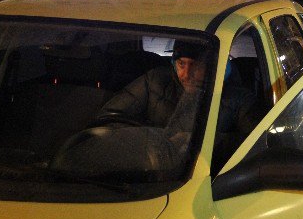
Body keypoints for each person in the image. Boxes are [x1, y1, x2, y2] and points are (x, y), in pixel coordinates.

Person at [96, 40, 259, 142]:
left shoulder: (238, 98)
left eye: (195, 65)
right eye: (181, 64)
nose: (186, 74)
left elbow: (254, 145)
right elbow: (109, 118)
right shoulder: (154, 81)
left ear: (211, 66)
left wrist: (199, 141)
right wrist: (150, 137)